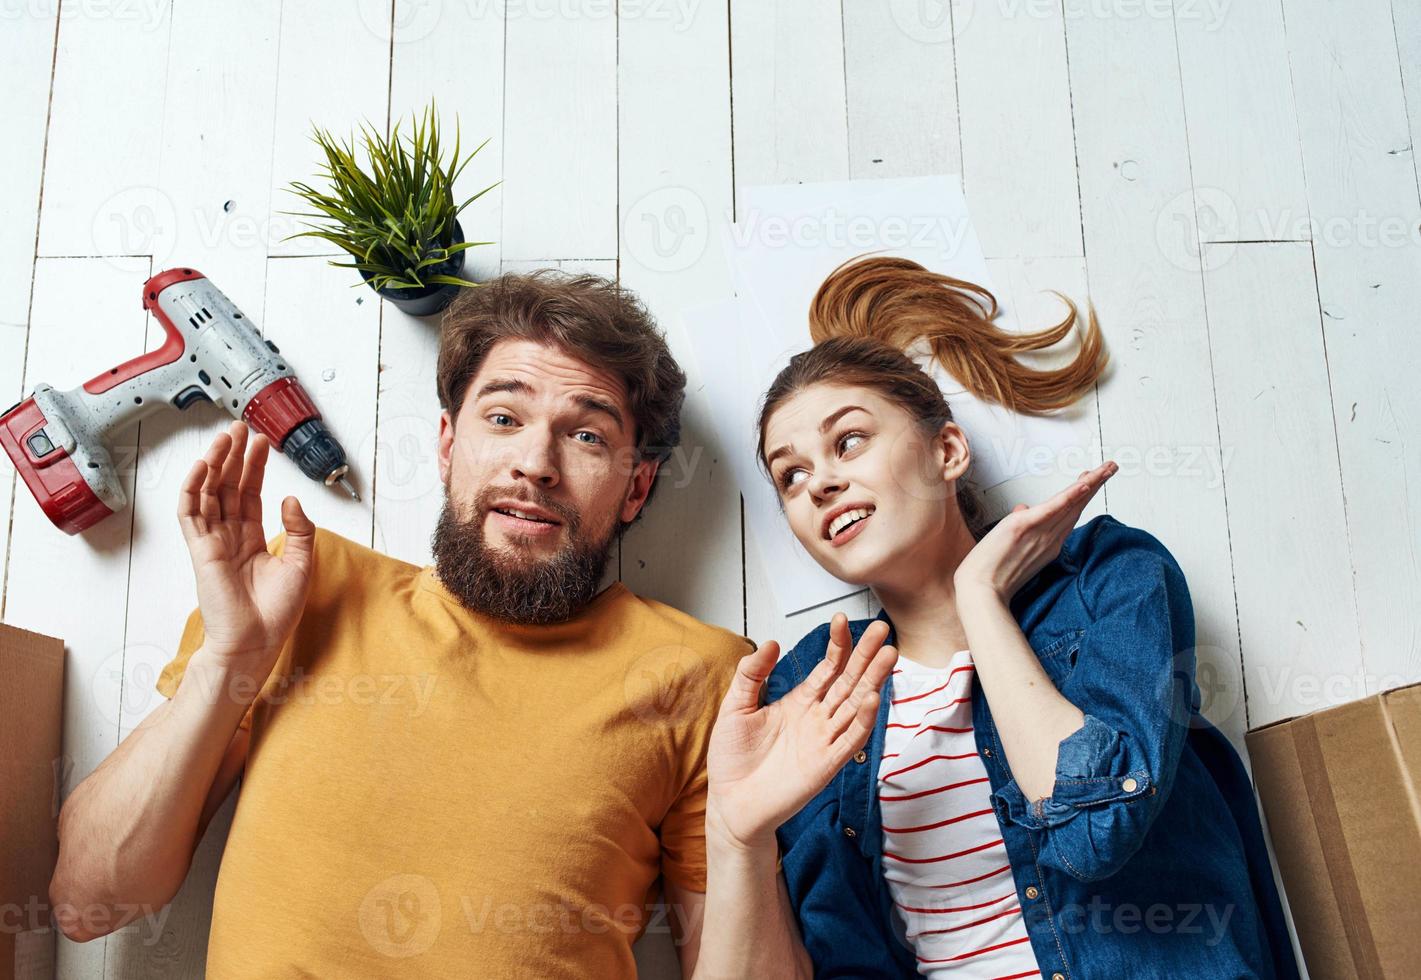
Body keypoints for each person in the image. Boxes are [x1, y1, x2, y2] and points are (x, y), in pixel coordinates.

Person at [47, 271, 803, 977]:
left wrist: (741, 844)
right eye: (503, 418)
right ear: (447, 446)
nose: (534, 462)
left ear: (636, 488)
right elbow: (89, 902)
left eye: (586, 436)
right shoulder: (302, 589)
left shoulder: (706, 678)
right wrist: (229, 658)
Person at [700, 256, 1299, 979]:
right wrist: (736, 836)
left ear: (946, 450)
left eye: (848, 440)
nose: (819, 481)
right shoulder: (810, 683)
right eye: (789, 475)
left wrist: (979, 599)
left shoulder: (1105, 578)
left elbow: (1094, 832)